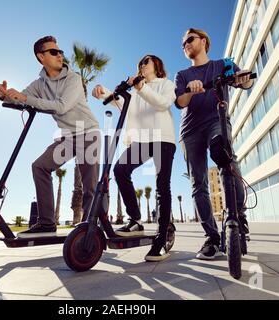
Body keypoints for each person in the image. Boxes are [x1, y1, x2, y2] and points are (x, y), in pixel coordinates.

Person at [0, 35, 100, 237]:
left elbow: (61, 106)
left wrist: (25, 98)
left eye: (60, 52)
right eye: (53, 52)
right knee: (39, 166)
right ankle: (47, 223)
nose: (60, 55)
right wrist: (2, 94)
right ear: (41, 57)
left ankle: (89, 230)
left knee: (89, 187)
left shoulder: (74, 79)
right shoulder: (39, 84)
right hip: (67, 137)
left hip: (87, 134)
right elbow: (19, 99)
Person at [174, 28, 253, 260]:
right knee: (198, 184)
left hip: (216, 121)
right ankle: (212, 237)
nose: (185, 44)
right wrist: (191, 90)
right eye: (183, 43)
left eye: (189, 39)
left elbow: (244, 82)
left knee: (225, 157)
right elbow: (180, 101)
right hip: (190, 131)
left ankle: (239, 215)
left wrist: (245, 79)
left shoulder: (222, 64)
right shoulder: (182, 74)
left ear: (203, 40)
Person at [92, 55, 176, 261]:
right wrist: (103, 92)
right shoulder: (137, 91)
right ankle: (136, 219)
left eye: (146, 61)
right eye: (139, 63)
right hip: (142, 141)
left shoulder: (166, 84)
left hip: (163, 139)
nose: (141, 65)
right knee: (120, 170)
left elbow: (163, 103)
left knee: (162, 186)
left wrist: (140, 87)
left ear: (157, 65)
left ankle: (161, 239)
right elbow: (120, 102)